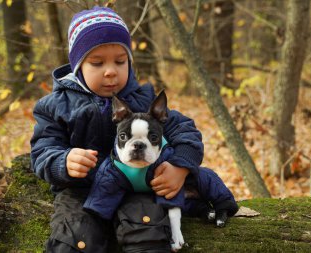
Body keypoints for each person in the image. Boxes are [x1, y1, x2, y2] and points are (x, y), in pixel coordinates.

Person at [30, 6, 235, 253]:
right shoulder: (56, 106)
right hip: (80, 193)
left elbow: (185, 131)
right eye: (97, 63)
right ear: (78, 66)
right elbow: (42, 151)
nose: (110, 71)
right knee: (75, 239)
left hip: (138, 189)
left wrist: (180, 167)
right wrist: (63, 162)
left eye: (120, 61)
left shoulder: (144, 100)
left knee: (147, 231)